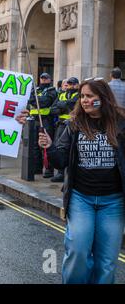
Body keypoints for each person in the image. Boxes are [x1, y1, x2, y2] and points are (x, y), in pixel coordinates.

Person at [17, 78, 125, 284]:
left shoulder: (121, 124)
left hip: (113, 203)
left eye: (90, 96)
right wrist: (49, 146)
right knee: (77, 251)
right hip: (81, 200)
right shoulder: (74, 124)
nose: (84, 100)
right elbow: (61, 160)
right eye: (83, 96)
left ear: (103, 98)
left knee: (107, 262)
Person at [27, 72, 57, 178]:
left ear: (50, 80)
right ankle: (37, 168)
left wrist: (34, 100)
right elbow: (30, 99)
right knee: (35, 146)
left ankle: (49, 170)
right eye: (42, 78)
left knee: (46, 145)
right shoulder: (36, 90)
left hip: (46, 121)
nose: (44, 80)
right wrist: (34, 100)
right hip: (34, 121)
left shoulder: (52, 90)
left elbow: (45, 102)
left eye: (46, 78)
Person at [49, 77, 79, 182]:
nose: (71, 86)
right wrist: (65, 106)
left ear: (77, 85)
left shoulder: (78, 95)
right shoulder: (61, 94)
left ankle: (69, 172)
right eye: (69, 84)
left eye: (73, 84)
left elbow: (73, 105)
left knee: (72, 149)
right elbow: (53, 109)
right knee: (59, 147)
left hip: (73, 124)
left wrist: (63, 105)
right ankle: (61, 173)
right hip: (61, 124)